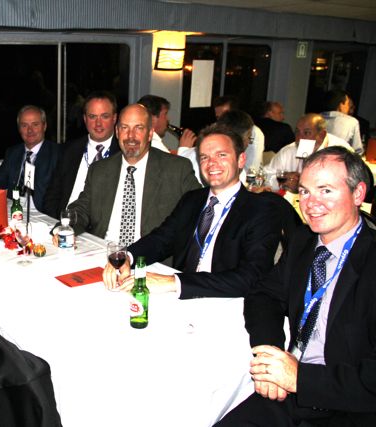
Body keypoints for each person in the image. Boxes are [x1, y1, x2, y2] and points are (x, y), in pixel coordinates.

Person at [217, 146, 376, 426]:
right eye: (305, 191)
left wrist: (300, 378)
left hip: (349, 407)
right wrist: (270, 356)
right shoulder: (304, 241)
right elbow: (263, 294)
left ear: (358, 194)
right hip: (289, 393)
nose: (311, 203)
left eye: (325, 190)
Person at [103, 123, 281, 298]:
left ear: (241, 159)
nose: (212, 163)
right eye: (204, 157)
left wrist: (174, 282)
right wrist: (128, 257)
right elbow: (161, 239)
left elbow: (250, 277)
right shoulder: (192, 200)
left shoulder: (261, 210)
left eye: (221, 155)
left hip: (225, 302)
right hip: (180, 297)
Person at [66, 103, 200, 247]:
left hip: (151, 256)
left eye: (139, 128)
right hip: (104, 251)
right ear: (117, 132)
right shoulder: (100, 170)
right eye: (125, 128)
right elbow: (82, 209)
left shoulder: (177, 169)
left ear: (150, 133)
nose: (131, 136)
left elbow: (200, 208)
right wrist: (66, 228)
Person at [42, 91, 120, 218]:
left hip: (101, 226)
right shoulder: (69, 150)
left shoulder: (122, 154)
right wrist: (57, 222)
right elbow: (52, 196)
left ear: (114, 118)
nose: (98, 123)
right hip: (65, 221)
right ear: (85, 119)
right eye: (92, 116)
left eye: (104, 116)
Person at [0, 105, 59, 212]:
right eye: (24, 125)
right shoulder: (13, 153)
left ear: (44, 126)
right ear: (19, 129)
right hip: (14, 209)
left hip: (41, 212)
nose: (30, 130)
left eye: (35, 124)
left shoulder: (57, 153)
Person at [267, 113, 353, 193]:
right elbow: (266, 176)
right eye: (297, 132)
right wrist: (284, 180)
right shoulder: (289, 150)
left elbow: (350, 185)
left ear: (322, 135)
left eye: (306, 133)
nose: (299, 138)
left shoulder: (341, 151)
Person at [320, 89, 363, 154]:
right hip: (339, 159)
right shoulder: (352, 122)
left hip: (315, 158)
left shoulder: (313, 119)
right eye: (348, 104)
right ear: (341, 105)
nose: (349, 107)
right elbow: (357, 151)